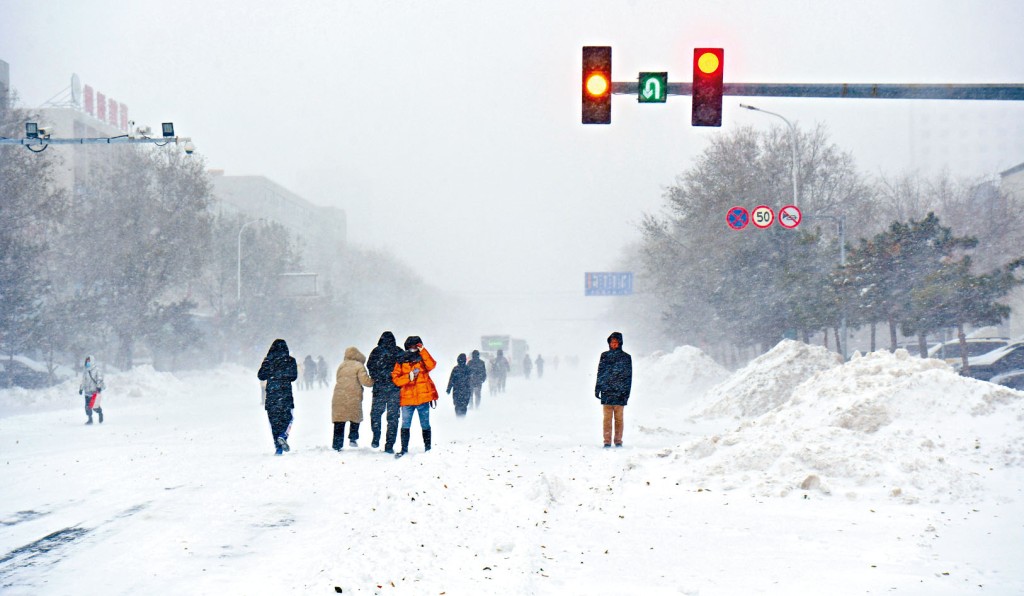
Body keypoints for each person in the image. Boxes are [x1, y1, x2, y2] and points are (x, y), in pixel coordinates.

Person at [391, 335, 438, 458]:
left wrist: (423, 350)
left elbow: (432, 365)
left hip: (422, 398)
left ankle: (428, 448)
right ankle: (404, 449)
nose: (413, 348)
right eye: (412, 346)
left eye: (416, 346)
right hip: (408, 399)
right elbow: (395, 379)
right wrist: (408, 377)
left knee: (425, 424)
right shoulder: (400, 360)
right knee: (406, 424)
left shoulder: (423, 358)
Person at [258, 339, 298, 455]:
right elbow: (293, 377)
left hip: (271, 396)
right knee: (288, 418)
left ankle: (278, 448)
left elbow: (261, 376)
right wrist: (283, 375)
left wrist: (270, 370)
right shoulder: (290, 360)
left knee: (274, 423)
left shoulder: (268, 361)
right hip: (285, 395)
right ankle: (283, 436)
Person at [367, 331, 404, 452]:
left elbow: (370, 366)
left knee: (376, 414)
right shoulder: (398, 351)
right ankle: (389, 444)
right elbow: (405, 367)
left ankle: (376, 436)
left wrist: (378, 376)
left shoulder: (376, 351)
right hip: (394, 389)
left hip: (379, 389)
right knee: (393, 418)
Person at [595, 331, 632, 448]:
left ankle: (618, 440)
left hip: (621, 392)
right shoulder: (604, 356)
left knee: (619, 419)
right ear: (609, 343)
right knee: (607, 419)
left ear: (620, 343)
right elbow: (600, 373)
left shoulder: (626, 358)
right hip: (607, 391)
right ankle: (606, 441)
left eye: (616, 342)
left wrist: (626, 392)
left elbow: (628, 376)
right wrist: (598, 388)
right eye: (612, 342)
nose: (614, 344)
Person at [331, 346, 373, 450]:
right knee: (355, 417)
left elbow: (338, 378)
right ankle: (353, 439)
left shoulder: (341, 365)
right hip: (353, 396)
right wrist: (374, 381)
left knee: (339, 420)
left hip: (339, 395)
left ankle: (337, 444)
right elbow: (365, 381)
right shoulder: (359, 366)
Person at [79, 355, 106, 425]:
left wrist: (99, 387)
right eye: (86, 361)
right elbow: (83, 380)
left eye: (89, 361)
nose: (87, 362)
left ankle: (100, 413)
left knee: (95, 406)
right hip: (87, 392)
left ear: (92, 361)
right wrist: (81, 388)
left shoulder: (97, 370)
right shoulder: (85, 371)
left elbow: (99, 379)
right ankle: (90, 419)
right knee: (87, 407)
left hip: (95, 391)